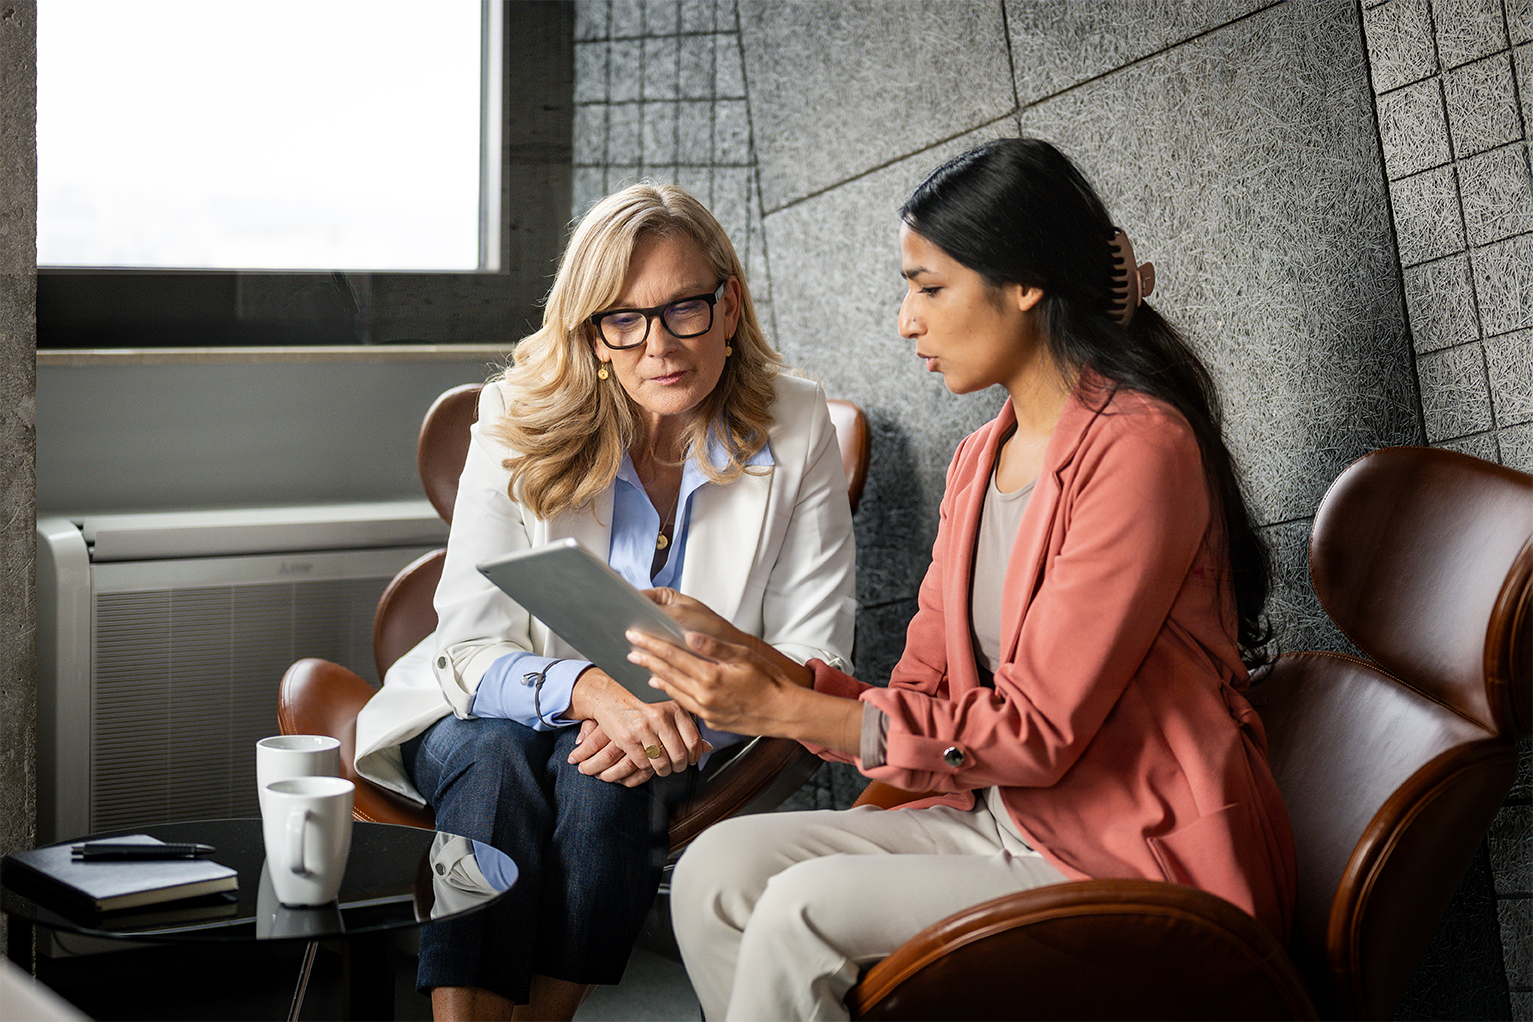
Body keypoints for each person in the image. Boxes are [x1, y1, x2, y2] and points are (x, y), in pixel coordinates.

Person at [628, 137, 1298, 1021]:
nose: (907, 320)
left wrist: (787, 714)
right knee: (713, 874)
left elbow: (1038, 732)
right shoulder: (981, 459)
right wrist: (759, 665)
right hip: (998, 815)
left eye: (928, 286)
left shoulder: (1138, 448)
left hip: (1127, 853)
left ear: (1023, 284)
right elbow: (919, 693)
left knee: (799, 915)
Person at [352, 182, 856, 1021]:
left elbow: (819, 658)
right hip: (482, 711)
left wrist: (677, 716)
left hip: (679, 728)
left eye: (683, 309)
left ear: (728, 307)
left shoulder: (795, 421)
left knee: (605, 781)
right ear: (592, 336)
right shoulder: (514, 416)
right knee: (498, 759)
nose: (658, 345)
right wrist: (590, 692)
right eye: (622, 319)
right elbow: (468, 650)